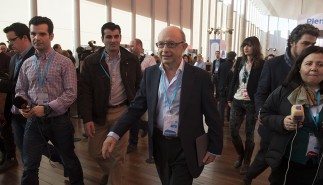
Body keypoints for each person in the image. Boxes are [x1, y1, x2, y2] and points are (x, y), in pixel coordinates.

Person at [101, 26, 223, 185]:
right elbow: (135, 108)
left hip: (186, 145)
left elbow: (212, 115)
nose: (164, 49)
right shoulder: (151, 74)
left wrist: (214, 146)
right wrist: (114, 134)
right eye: (161, 44)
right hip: (159, 143)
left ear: (184, 47)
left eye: (171, 44)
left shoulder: (199, 77)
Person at [261, 46, 323, 185]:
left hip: (321, 164)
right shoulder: (285, 91)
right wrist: (282, 122)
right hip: (287, 162)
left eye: (320, 64)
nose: (314, 68)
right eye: (309, 63)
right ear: (299, 67)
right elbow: (265, 114)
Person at [244, 23, 320, 185]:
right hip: (275, 125)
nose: (310, 48)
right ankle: (248, 177)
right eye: (306, 43)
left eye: (313, 44)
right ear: (292, 42)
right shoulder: (273, 65)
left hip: (302, 129)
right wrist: (263, 115)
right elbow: (260, 93)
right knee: (267, 158)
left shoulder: (313, 66)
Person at [15, 16, 83, 185]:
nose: (37, 38)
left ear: (51, 36)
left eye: (42, 34)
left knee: (69, 161)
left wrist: (46, 108)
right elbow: (20, 90)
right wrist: (23, 106)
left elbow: (71, 93)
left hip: (58, 121)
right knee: (29, 166)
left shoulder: (64, 63)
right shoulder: (27, 64)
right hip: (33, 121)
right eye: (33, 33)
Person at [79, 22, 141, 185]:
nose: (113, 40)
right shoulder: (91, 62)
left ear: (120, 38)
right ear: (102, 39)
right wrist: (86, 119)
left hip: (122, 112)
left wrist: (134, 110)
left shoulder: (132, 59)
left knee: (118, 157)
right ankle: (111, 172)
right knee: (95, 152)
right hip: (98, 114)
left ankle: (113, 179)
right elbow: (84, 92)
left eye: (116, 36)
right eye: (109, 36)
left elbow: (139, 86)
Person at [0, 22, 63, 171]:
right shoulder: (14, 58)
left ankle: (62, 158)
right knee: (24, 148)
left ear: (24, 38)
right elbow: (15, 86)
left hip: (34, 111)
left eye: (12, 40)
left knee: (36, 147)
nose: (9, 44)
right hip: (16, 110)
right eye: (8, 40)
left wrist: (1, 83)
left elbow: (24, 86)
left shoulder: (37, 56)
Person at [227, 36, 264, 175]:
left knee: (249, 134)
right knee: (233, 131)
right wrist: (230, 97)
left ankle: (247, 161)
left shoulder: (262, 63)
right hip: (237, 99)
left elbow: (263, 85)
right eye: (244, 45)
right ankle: (240, 154)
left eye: (249, 45)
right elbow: (233, 81)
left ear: (255, 47)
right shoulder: (240, 61)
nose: (246, 48)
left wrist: (261, 104)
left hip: (252, 102)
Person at [127, 38, 156, 154]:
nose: (130, 48)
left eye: (132, 46)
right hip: (131, 90)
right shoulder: (128, 59)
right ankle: (142, 129)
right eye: (129, 46)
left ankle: (134, 141)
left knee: (135, 116)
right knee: (132, 115)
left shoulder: (149, 59)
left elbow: (153, 74)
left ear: (139, 46)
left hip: (144, 90)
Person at [217, 51, 236, 125]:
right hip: (230, 88)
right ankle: (229, 119)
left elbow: (218, 76)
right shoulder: (234, 66)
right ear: (233, 57)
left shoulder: (222, 65)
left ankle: (220, 121)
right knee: (230, 105)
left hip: (221, 87)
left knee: (221, 105)